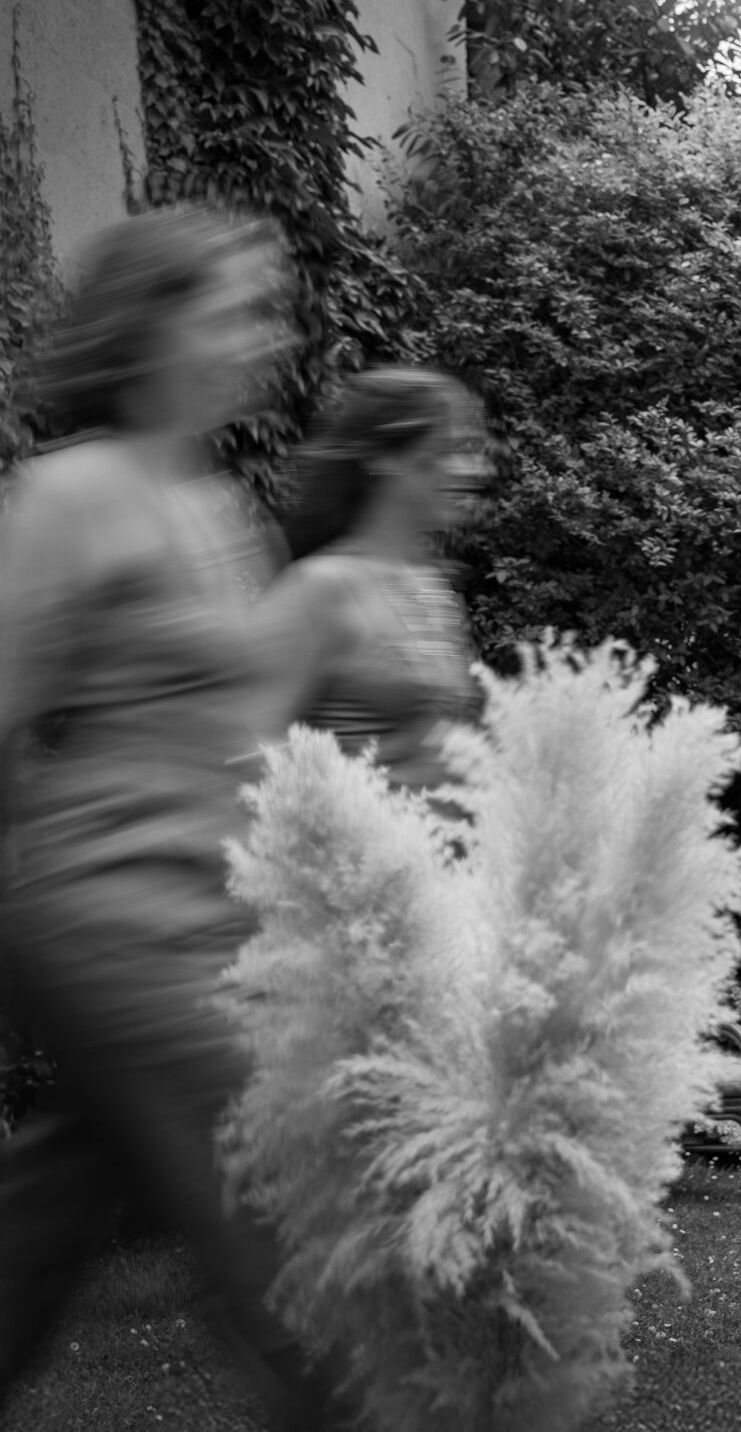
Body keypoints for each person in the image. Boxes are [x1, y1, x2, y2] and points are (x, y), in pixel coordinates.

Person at [0, 206, 353, 1429]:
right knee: (285, 1223)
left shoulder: (216, 508)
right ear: (153, 325)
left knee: (45, 1218)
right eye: (235, 308)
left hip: (209, 919)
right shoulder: (70, 493)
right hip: (112, 919)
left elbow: (243, 733)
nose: (265, 335)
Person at [258, 367, 485, 790]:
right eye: (451, 449)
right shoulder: (317, 587)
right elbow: (247, 753)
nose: (473, 469)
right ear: (385, 457)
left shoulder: (433, 589)